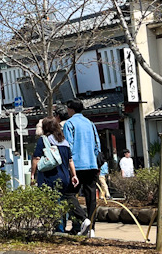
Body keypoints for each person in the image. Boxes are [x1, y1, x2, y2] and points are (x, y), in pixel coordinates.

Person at [30, 117, 83, 233]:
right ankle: (71, 226)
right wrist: (74, 175)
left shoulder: (44, 140)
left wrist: (32, 174)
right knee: (64, 202)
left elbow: (36, 158)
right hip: (65, 177)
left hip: (50, 177)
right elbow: (70, 161)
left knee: (54, 203)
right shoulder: (64, 141)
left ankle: (59, 229)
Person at [64, 99, 100, 237]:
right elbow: (97, 145)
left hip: (77, 165)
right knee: (91, 198)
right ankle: (92, 229)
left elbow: (69, 146)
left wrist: (69, 164)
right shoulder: (90, 124)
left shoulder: (70, 123)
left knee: (69, 195)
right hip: (91, 164)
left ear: (71, 109)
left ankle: (83, 219)